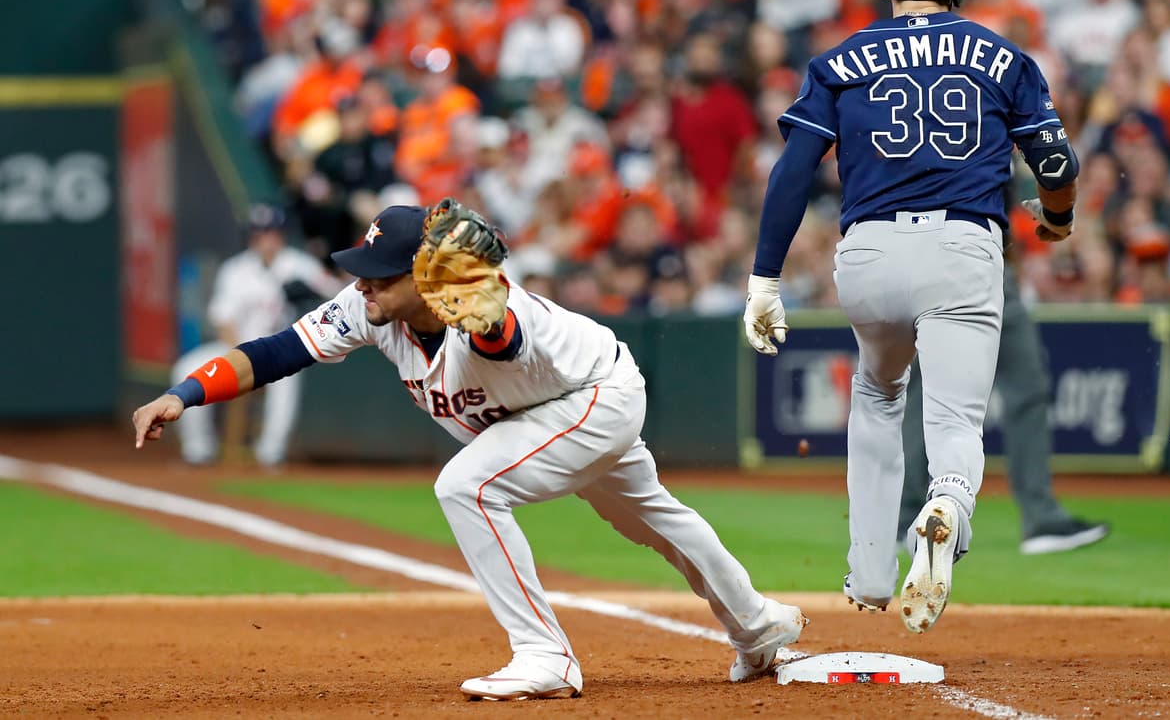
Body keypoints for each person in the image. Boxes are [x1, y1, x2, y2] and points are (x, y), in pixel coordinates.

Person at [134, 201, 806, 700]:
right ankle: (758, 625)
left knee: (470, 485)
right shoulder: (370, 309)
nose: (363, 286)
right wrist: (186, 393)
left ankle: (545, 653)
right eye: (361, 273)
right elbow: (277, 351)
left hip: (596, 391)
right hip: (551, 411)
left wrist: (485, 315)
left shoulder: (486, 308)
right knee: (649, 515)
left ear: (426, 277)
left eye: (379, 276)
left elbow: (501, 340)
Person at [743, 0, 1080, 633]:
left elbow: (794, 171)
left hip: (868, 256)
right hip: (963, 247)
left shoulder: (840, 61)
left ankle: (869, 570)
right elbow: (1056, 164)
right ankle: (948, 506)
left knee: (877, 393)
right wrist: (1057, 217)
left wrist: (764, 279)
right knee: (955, 418)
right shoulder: (1000, 54)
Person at [896, 187, 1111, 555]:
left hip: (934, 259)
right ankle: (1039, 517)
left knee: (925, 390)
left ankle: (906, 518)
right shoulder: (987, 129)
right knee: (1016, 387)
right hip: (969, 255)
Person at [169, 204, 342, 467]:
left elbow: (339, 294)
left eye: (272, 232)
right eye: (260, 233)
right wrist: (244, 359)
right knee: (186, 368)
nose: (267, 239)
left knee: (288, 380)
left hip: (283, 350)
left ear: (282, 234)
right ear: (251, 237)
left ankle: (270, 453)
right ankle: (198, 448)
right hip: (236, 346)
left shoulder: (300, 265)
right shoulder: (235, 269)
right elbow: (223, 321)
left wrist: (311, 292)